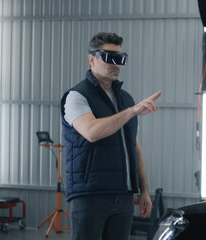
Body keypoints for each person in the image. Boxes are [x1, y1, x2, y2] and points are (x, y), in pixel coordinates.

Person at [60, 32, 161, 240]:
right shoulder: (76, 96)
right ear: (91, 59)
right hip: (90, 196)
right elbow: (92, 132)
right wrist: (132, 111)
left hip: (123, 197)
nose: (117, 64)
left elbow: (134, 146)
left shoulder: (125, 99)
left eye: (120, 59)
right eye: (109, 58)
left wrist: (143, 190)